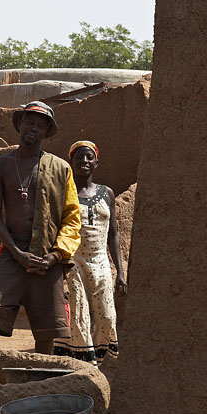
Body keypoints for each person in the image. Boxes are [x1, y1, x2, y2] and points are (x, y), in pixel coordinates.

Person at [0, 101, 81, 355]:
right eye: (29, 122)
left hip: (48, 256)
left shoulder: (61, 169)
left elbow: (72, 218)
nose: (34, 128)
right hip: (13, 253)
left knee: (48, 325)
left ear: (46, 132)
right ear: (19, 125)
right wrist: (17, 253)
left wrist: (55, 256)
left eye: (40, 125)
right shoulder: (0, 165)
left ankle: (40, 377)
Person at [53, 141, 127, 365]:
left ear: (96, 163)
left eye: (89, 157)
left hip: (101, 263)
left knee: (106, 316)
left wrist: (120, 272)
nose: (84, 161)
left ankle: (98, 365)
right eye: (79, 157)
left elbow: (113, 234)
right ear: (71, 162)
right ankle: (84, 368)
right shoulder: (65, 193)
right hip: (73, 263)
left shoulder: (107, 193)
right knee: (79, 316)